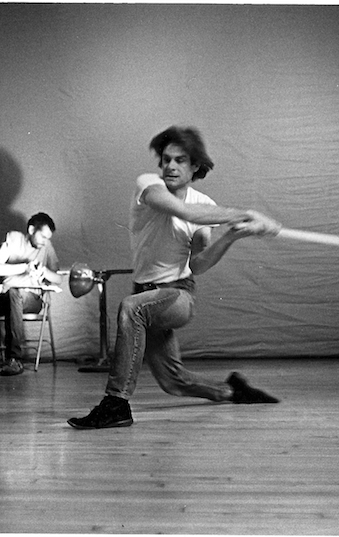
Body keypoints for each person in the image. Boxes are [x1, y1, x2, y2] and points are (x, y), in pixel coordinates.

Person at [68, 126, 281, 430]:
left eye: (180, 160)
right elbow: (185, 212)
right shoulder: (149, 185)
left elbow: (199, 263)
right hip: (147, 295)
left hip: (178, 295)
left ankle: (115, 404)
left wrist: (232, 236)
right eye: (167, 159)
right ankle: (232, 389)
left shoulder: (206, 204)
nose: (170, 166)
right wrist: (246, 214)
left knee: (131, 307)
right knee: (173, 381)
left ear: (195, 166)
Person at [0, 213, 62, 376]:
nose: (44, 242)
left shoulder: (47, 247)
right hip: (5, 297)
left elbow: (58, 278)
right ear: (31, 229)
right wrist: (25, 267)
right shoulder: (13, 238)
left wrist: (44, 271)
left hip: (31, 299)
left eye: (47, 238)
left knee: (14, 293)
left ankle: (14, 359)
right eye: (42, 236)